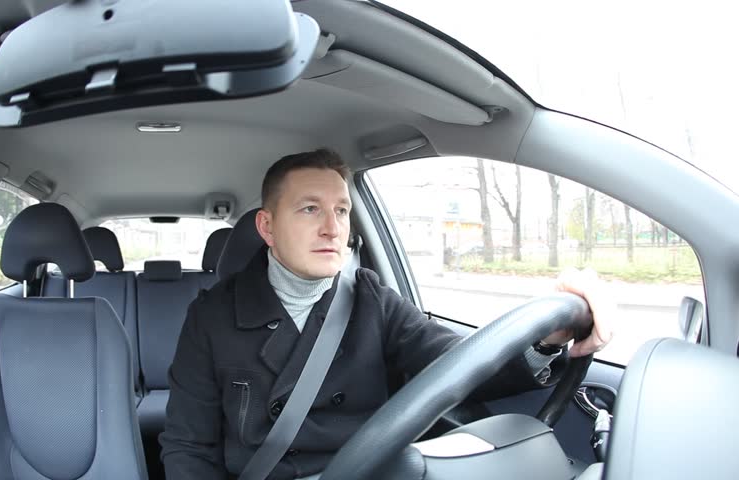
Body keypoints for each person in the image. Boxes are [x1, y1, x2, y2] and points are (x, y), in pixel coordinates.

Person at [160, 149, 612, 479]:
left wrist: (547, 338)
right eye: (310, 209)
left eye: (341, 210)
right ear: (267, 227)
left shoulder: (369, 298)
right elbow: (188, 448)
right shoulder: (212, 316)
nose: (333, 228)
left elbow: (459, 364)